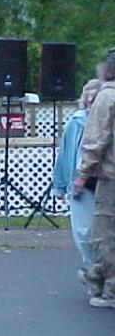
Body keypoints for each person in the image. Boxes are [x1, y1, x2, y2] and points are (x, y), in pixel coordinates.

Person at [74, 54, 115, 308]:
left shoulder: (107, 97)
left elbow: (95, 139)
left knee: (105, 233)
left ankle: (107, 288)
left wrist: (82, 174)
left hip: (111, 177)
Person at [53, 80, 102, 279]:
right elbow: (65, 153)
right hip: (82, 183)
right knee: (84, 232)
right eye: (89, 99)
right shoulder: (76, 122)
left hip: (105, 180)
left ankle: (102, 273)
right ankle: (91, 269)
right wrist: (60, 186)